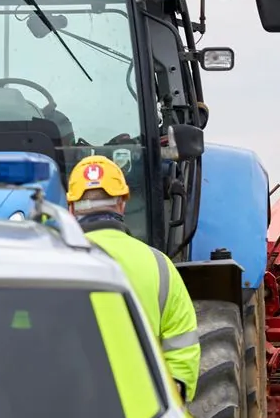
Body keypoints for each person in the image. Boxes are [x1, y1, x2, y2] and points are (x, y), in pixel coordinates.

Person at [66, 155, 201, 402]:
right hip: (143, 417)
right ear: (122, 204)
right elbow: (182, 344)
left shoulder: (52, 262)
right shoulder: (160, 266)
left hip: (72, 412)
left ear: (71, 209)